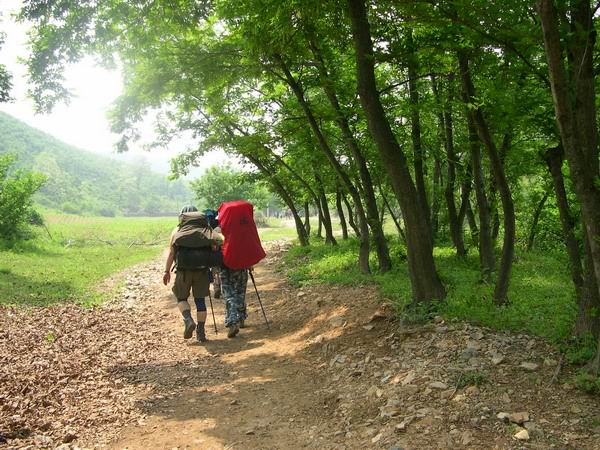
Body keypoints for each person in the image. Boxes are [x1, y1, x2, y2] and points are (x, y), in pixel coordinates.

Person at [163, 205, 221, 343]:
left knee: (181, 298)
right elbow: (217, 244)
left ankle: (188, 319)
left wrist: (166, 271)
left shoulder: (177, 231)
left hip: (183, 271)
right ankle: (201, 332)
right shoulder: (206, 229)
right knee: (200, 301)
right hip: (202, 271)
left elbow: (171, 253)